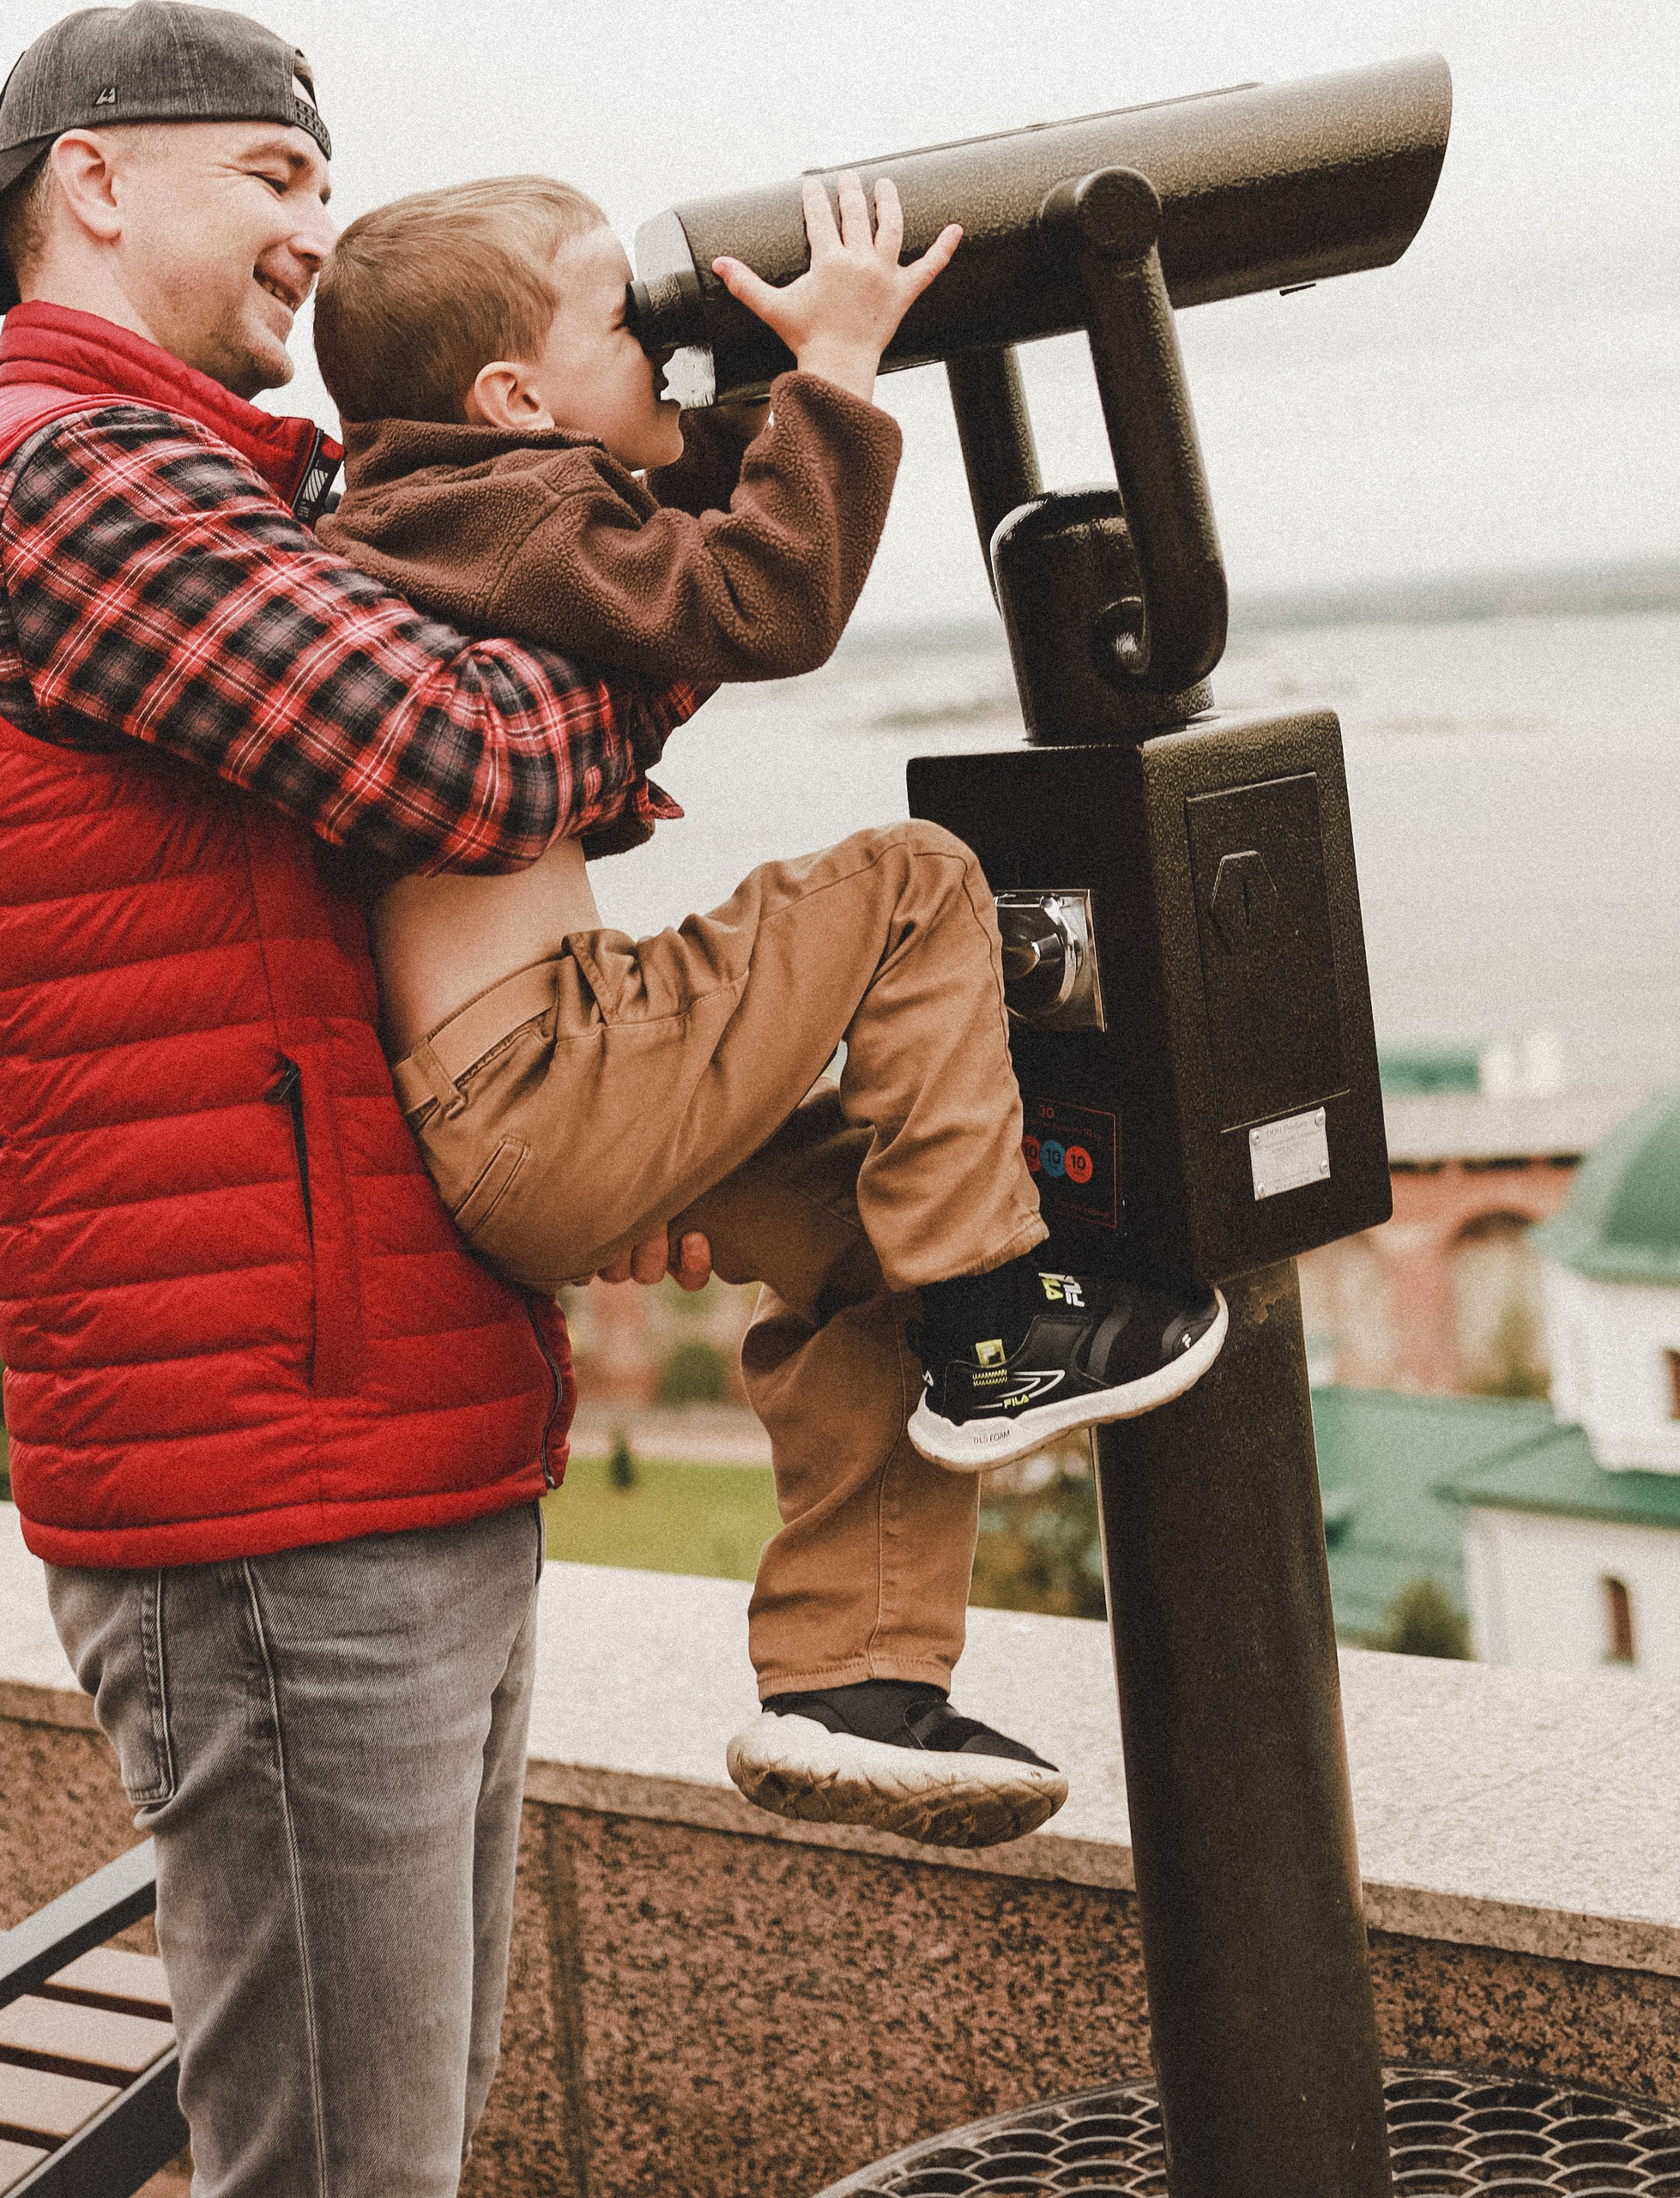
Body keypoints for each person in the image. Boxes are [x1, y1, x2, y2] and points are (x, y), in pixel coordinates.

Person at [0, 2, 699, 2198]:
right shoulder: (81, 488)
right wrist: (648, 589)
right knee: (341, 2172)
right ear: (96, 180)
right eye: (274, 174)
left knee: (390, 2141)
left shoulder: (223, 495)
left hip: (375, 1432)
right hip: (274, 1483)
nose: (317, 233)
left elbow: (495, 775)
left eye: (324, 184)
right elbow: (471, 764)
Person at [308, 168, 1228, 1848]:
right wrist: (841, 363)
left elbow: (686, 517)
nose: (654, 364)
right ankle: (998, 1326)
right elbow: (762, 600)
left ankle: (850, 1683)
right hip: (542, 1067)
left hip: (522, 1103)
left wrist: (735, 371)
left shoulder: (441, 516)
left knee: (865, 1230)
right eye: (623, 328)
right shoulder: (504, 515)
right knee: (905, 881)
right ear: (510, 401)